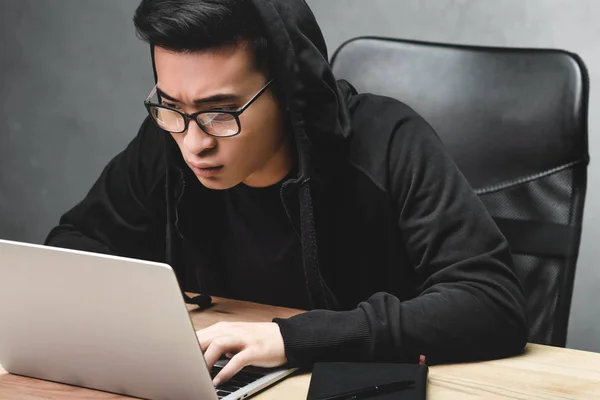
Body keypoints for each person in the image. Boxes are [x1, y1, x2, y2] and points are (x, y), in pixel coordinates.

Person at [45, 0, 528, 387]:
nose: (195, 143)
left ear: (289, 90)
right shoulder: (168, 140)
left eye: (221, 112)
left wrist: (294, 339)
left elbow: (491, 303)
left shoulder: (391, 142)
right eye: (171, 107)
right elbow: (75, 247)